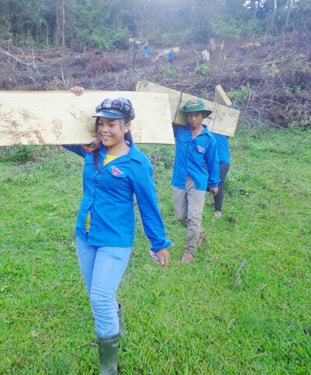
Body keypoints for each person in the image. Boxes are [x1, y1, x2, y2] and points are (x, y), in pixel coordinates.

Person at [66, 86, 171, 374]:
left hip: (115, 239)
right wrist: (72, 100)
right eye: (101, 122)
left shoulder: (137, 164)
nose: (104, 129)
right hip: (85, 236)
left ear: (126, 126)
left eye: (111, 124)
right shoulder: (92, 150)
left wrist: (158, 242)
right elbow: (60, 134)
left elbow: (149, 205)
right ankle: (115, 321)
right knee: (98, 295)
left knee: (100, 297)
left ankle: (108, 369)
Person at [171, 98, 220, 263]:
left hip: (197, 181)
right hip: (179, 178)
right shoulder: (180, 131)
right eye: (190, 116)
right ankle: (200, 233)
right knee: (180, 215)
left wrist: (214, 184)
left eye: (196, 115)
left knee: (194, 216)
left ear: (203, 116)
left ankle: (189, 251)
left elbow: (213, 162)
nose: (193, 119)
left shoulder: (209, 139)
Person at [210, 131, 230, 217]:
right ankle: (213, 196)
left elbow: (229, 134)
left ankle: (218, 210)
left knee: (219, 183)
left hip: (222, 158)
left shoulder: (224, 124)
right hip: (208, 158)